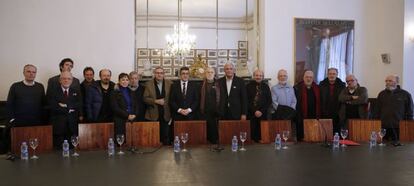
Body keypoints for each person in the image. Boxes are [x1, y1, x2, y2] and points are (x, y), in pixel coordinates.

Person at [376, 75, 413, 146]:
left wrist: (408, 126)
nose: (387, 82)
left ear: (397, 82)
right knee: (383, 149)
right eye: (386, 81)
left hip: (398, 127)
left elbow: (410, 111)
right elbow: (377, 110)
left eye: (390, 81)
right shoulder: (381, 94)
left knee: (398, 149)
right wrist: (376, 124)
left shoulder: (405, 94)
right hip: (383, 127)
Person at [48, 71, 82, 149]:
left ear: (72, 80)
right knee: (58, 154)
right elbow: (53, 107)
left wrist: (65, 106)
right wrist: (70, 108)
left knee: (73, 151)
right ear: (60, 80)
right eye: (64, 78)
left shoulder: (76, 91)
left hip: (72, 128)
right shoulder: (53, 92)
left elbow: (78, 105)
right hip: (58, 128)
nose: (66, 80)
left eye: (68, 79)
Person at [143, 67, 173, 145]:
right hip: (153, 114)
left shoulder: (170, 83)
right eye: (157, 73)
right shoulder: (148, 84)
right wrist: (155, 101)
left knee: (166, 137)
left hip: (166, 114)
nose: (159, 75)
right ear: (154, 74)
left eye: (161, 73)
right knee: (153, 138)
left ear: (164, 74)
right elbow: (145, 98)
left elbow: (172, 98)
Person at [294, 70, 321, 141]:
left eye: (310, 77)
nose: (308, 79)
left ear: (313, 78)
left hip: (314, 116)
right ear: (303, 78)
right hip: (301, 117)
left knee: (313, 137)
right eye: (307, 77)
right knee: (301, 138)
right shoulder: (297, 88)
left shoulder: (318, 88)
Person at [246, 69, 272, 142]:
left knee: (262, 134)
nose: (258, 77)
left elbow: (269, 101)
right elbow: (246, 100)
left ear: (263, 77)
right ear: (253, 76)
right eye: (257, 75)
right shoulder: (248, 86)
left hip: (263, 114)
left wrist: (261, 111)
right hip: (251, 113)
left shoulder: (266, 86)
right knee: (252, 134)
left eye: (260, 76)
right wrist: (254, 111)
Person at [271, 69, 297, 139]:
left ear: (287, 77)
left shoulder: (291, 88)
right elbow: (274, 102)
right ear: (278, 77)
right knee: (279, 133)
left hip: (290, 115)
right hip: (279, 115)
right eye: (281, 76)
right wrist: (282, 112)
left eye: (284, 76)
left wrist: (291, 111)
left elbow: (294, 101)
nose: (283, 77)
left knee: (288, 133)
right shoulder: (274, 88)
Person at [319, 68, 346, 133]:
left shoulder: (342, 85)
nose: (332, 75)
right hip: (324, 113)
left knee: (336, 133)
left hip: (337, 113)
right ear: (327, 75)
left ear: (337, 75)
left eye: (334, 74)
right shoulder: (322, 84)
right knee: (325, 132)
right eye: (330, 74)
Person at [110, 73, 136, 138]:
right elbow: (115, 108)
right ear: (119, 81)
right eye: (123, 80)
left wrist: (134, 114)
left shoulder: (131, 91)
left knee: (131, 138)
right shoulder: (114, 92)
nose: (125, 82)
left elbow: (135, 105)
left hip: (132, 118)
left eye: (127, 80)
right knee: (121, 140)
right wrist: (127, 115)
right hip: (120, 119)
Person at [200, 68, 220, 145]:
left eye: (212, 72)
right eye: (208, 72)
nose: (210, 74)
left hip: (216, 112)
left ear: (214, 74)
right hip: (204, 111)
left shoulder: (219, 84)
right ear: (205, 74)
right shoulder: (201, 84)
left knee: (214, 132)